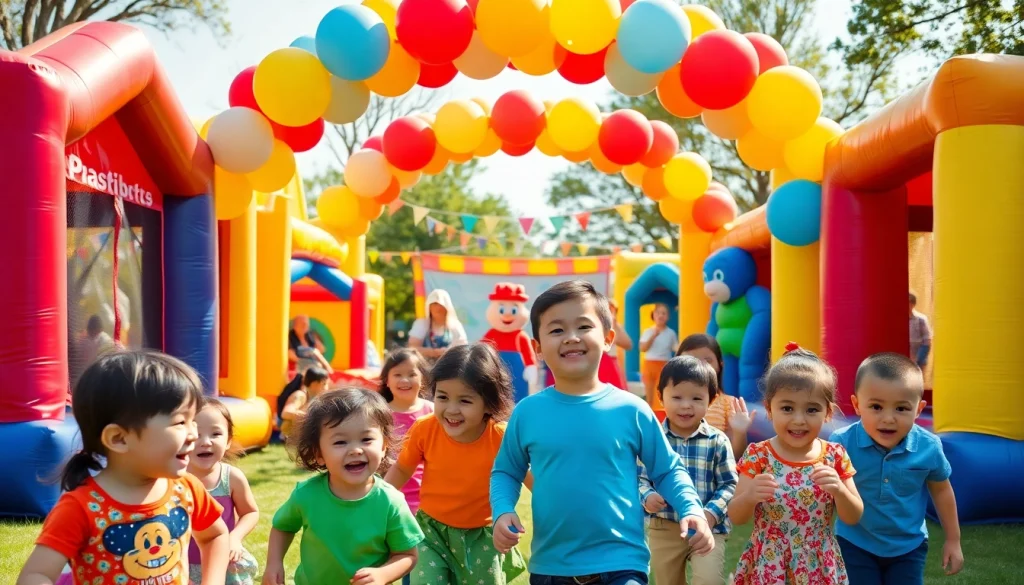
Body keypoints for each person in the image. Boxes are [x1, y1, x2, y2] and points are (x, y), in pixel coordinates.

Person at [491, 280, 713, 585]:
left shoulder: (632, 410)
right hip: (552, 568)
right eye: (557, 330)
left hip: (622, 564)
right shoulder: (527, 413)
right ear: (538, 348)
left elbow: (667, 469)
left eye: (583, 326)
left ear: (608, 338)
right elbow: (506, 471)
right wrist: (503, 510)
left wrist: (691, 508)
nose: (571, 337)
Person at [17, 351, 229, 585]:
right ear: (118, 438)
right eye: (180, 422)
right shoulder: (81, 508)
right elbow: (36, 575)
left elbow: (215, 536)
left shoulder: (186, 489)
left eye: (193, 421)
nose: (194, 434)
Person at [384, 343, 527, 585]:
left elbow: (531, 478)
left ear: (489, 403)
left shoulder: (500, 437)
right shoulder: (425, 429)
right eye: (442, 397)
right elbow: (402, 468)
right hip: (431, 533)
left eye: (465, 400)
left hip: (481, 538)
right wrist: (380, 500)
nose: (451, 409)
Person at [729, 344, 864, 585]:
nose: (799, 419)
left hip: (817, 564)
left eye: (811, 409)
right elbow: (736, 516)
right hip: (769, 563)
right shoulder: (758, 456)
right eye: (787, 408)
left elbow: (853, 516)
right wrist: (750, 496)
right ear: (769, 409)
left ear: (828, 413)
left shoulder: (834, 455)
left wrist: (840, 491)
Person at [265, 389, 424, 585]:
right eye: (340, 442)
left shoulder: (390, 501)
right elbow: (283, 527)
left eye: (366, 439)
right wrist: (274, 563)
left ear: (384, 447)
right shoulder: (306, 495)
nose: (356, 450)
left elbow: (407, 554)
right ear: (319, 454)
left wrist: (383, 574)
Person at [832, 353, 963, 584]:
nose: (888, 418)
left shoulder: (928, 447)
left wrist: (953, 540)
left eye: (901, 408)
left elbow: (942, 490)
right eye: (876, 406)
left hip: (908, 547)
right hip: (854, 542)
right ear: (857, 405)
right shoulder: (842, 443)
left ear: (919, 409)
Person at [640, 356, 737, 585]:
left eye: (696, 398)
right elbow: (640, 478)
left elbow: (729, 484)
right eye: (677, 397)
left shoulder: (717, 441)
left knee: (709, 580)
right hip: (665, 526)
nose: (686, 405)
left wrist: (710, 514)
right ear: (661, 397)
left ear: (711, 400)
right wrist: (647, 496)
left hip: (709, 527)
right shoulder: (654, 440)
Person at [187, 399, 260, 585]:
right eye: (196, 434)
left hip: (224, 562)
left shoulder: (231, 478)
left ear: (228, 441)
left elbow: (250, 512)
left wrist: (234, 537)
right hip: (185, 565)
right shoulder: (173, 481)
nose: (205, 442)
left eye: (216, 434)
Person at [677, 334, 755, 458]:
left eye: (707, 361)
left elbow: (735, 457)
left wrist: (739, 432)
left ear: (719, 365)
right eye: (689, 361)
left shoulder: (729, 404)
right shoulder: (672, 399)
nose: (698, 367)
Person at [378, 349, 434, 518]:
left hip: (428, 497)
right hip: (389, 493)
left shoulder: (433, 411)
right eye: (397, 375)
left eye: (412, 374)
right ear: (387, 380)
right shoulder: (380, 414)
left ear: (422, 378)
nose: (404, 380)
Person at [545, 298, 633, 390]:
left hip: (609, 363)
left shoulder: (614, 326)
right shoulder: (589, 324)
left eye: (611, 310)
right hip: (593, 361)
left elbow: (628, 344)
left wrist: (614, 323)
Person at [640, 303, 679, 413]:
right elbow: (643, 348)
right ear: (653, 315)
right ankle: (649, 415)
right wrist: (653, 336)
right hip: (649, 364)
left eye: (664, 313)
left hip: (664, 365)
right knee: (649, 394)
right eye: (658, 313)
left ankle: (660, 415)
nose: (661, 315)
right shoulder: (648, 331)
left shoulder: (671, 333)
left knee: (661, 393)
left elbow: (675, 348)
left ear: (668, 317)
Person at [408, 289, 468, 362]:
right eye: (434, 304)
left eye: (441, 305)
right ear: (429, 307)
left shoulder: (455, 325)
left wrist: (448, 352)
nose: (438, 308)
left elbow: (463, 349)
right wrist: (433, 352)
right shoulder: (421, 324)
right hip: (424, 365)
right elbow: (412, 348)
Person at [277, 367, 330, 441]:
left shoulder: (315, 399)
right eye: (325, 384)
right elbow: (285, 413)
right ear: (314, 384)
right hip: (289, 434)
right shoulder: (300, 395)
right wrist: (311, 418)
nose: (327, 388)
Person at [908, 293, 932, 369]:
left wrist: (920, 359)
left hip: (918, 359)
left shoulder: (921, 319)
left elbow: (927, 340)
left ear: (913, 304)